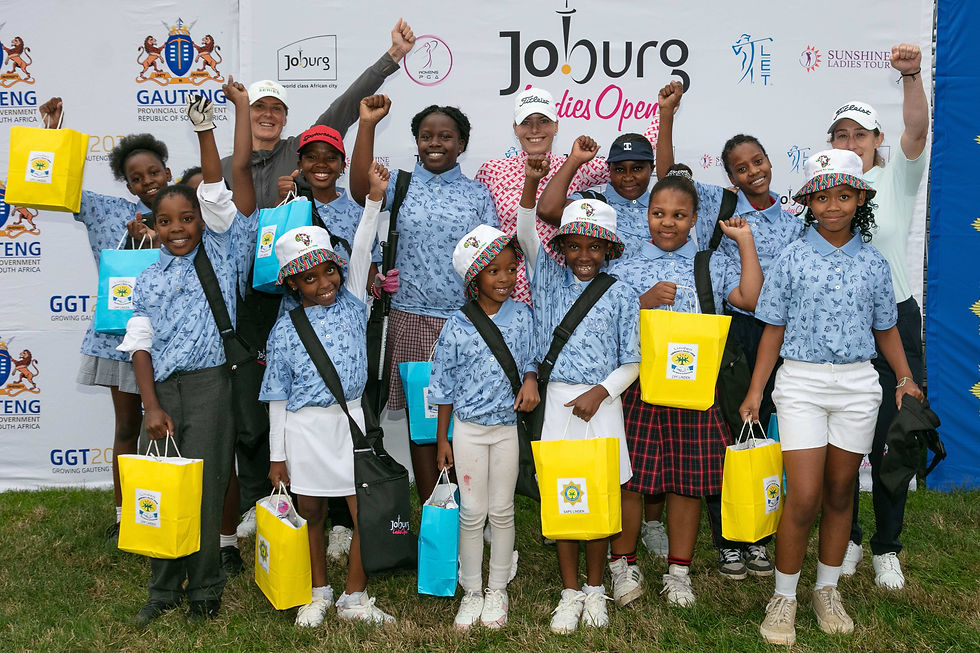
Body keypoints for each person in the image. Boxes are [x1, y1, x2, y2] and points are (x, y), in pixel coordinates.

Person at [225, 19, 415, 545]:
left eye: (274, 109)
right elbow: (217, 197)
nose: (266, 116)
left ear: (286, 121)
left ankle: (338, 517)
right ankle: (267, 500)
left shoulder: (300, 158)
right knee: (263, 410)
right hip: (268, 307)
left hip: (334, 311)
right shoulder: (232, 165)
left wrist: (389, 59)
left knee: (345, 406)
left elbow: (356, 252)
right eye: (256, 108)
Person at [740, 149, 923, 646]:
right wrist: (757, 390)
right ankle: (783, 596)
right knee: (802, 496)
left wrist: (904, 379)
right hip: (799, 383)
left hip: (859, 386)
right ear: (810, 204)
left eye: (844, 195)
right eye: (823, 197)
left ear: (860, 197)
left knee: (842, 492)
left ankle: (826, 590)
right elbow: (772, 328)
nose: (834, 206)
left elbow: (886, 329)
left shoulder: (874, 261)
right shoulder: (792, 258)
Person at [117, 80, 257, 625]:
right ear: (153, 227)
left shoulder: (221, 248)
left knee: (204, 482)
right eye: (167, 222)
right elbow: (140, 345)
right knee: (161, 489)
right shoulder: (148, 279)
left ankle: (204, 586)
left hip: (210, 384)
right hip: (163, 391)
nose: (178, 229)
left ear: (201, 220)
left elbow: (219, 191)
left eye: (188, 219)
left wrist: (205, 131)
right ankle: (161, 587)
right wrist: (150, 406)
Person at [656, 80, 804, 579]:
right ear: (731, 178)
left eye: (758, 160)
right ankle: (728, 542)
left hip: (786, 336)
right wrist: (669, 115)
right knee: (730, 435)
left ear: (769, 160)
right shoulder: (719, 210)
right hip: (735, 336)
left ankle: (759, 532)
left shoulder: (798, 217)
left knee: (766, 439)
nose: (753, 170)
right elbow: (666, 179)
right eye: (741, 167)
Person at [607, 166, 762, 608]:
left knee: (688, 483)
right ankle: (623, 564)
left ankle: (679, 571)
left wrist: (744, 242)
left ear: (695, 219)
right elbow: (609, 324)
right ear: (647, 217)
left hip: (697, 390)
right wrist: (642, 301)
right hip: (641, 387)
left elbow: (749, 300)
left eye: (679, 214)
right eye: (659, 213)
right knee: (631, 479)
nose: (668, 222)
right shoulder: (628, 265)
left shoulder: (710, 262)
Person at [259, 162, 394, 627]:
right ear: (292, 284)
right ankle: (318, 592)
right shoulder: (284, 330)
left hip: (351, 424)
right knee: (312, 512)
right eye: (310, 278)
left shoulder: (355, 301)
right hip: (304, 430)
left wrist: (373, 198)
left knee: (365, 514)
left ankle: (354, 596)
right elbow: (277, 398)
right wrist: (278, 456)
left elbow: (360, 247)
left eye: (328, 273)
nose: (324, 284)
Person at [349, 94, 499, 502]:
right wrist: (366, 124)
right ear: (416, 141)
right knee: (424, 422)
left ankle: (468, 503)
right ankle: (436, 506)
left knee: (464, 419)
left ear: (462, 144)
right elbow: (362, 189)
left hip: (465, 323)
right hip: (410, 318)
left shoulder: (477, 195)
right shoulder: (400, 184)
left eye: (446, 136)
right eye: (426, 136)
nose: (435, 143)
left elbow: (493, 258)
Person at [37, 96, 170, 547]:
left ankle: (171, 505)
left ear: (167, 172)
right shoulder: (107, 212)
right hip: (118, 337)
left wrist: (159, 239)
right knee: (127, 428)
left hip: (173, 340)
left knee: (173, 427)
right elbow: (57, 189)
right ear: (127, 185)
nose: (147, 182)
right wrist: (54, 135)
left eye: (153, 172)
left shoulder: (187, 211)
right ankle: (124, 514)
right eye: (136, 178)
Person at [516, 159, 639, 634]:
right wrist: (532, 179)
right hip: (557, 406)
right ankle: (569, 591)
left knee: (600, 502)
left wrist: (601, 392)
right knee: (564, 501)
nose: (584, 254)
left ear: (608, 249)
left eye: (594, 245)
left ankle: (594, 587)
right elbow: (527, 228)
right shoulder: (545, 278)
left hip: (603, 407)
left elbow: (633, 360)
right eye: (574, 244)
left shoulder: (623, 294)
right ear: (561, 247)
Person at [828, 43, 930, 591]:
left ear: (876, 142)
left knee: (897, 437)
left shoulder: (897, 180)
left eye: (860, 135)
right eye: (841, 135)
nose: (850, 143)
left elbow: (916, 130)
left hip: (896, 318)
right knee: (843, 439)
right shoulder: (821, 194)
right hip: (842, 328)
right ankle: (847, 539)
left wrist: (911, 75)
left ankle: (887, 546)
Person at [430, 225, 540, 630]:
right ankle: (473, 591)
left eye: (511, 269)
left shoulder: (524, 316)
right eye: (494, 271)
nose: (506, 279)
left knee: (503, 510)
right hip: (469, 431)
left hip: (507, 429)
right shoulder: (457, 324)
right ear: (474, 279)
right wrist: (443, 438)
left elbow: (533, 358)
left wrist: (530, 377)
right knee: (473, 513)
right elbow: (442, 385)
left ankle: (498, 590)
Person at [475, 88, 658, 304]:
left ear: (556, 126)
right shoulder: (492, 171)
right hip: (507, 290)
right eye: (526, 122)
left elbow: (632, 156)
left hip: (563, 289)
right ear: (515, 128)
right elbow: (482, 234)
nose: (535, 129)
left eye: (543, 121)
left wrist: (663, 112)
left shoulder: (575, 165)